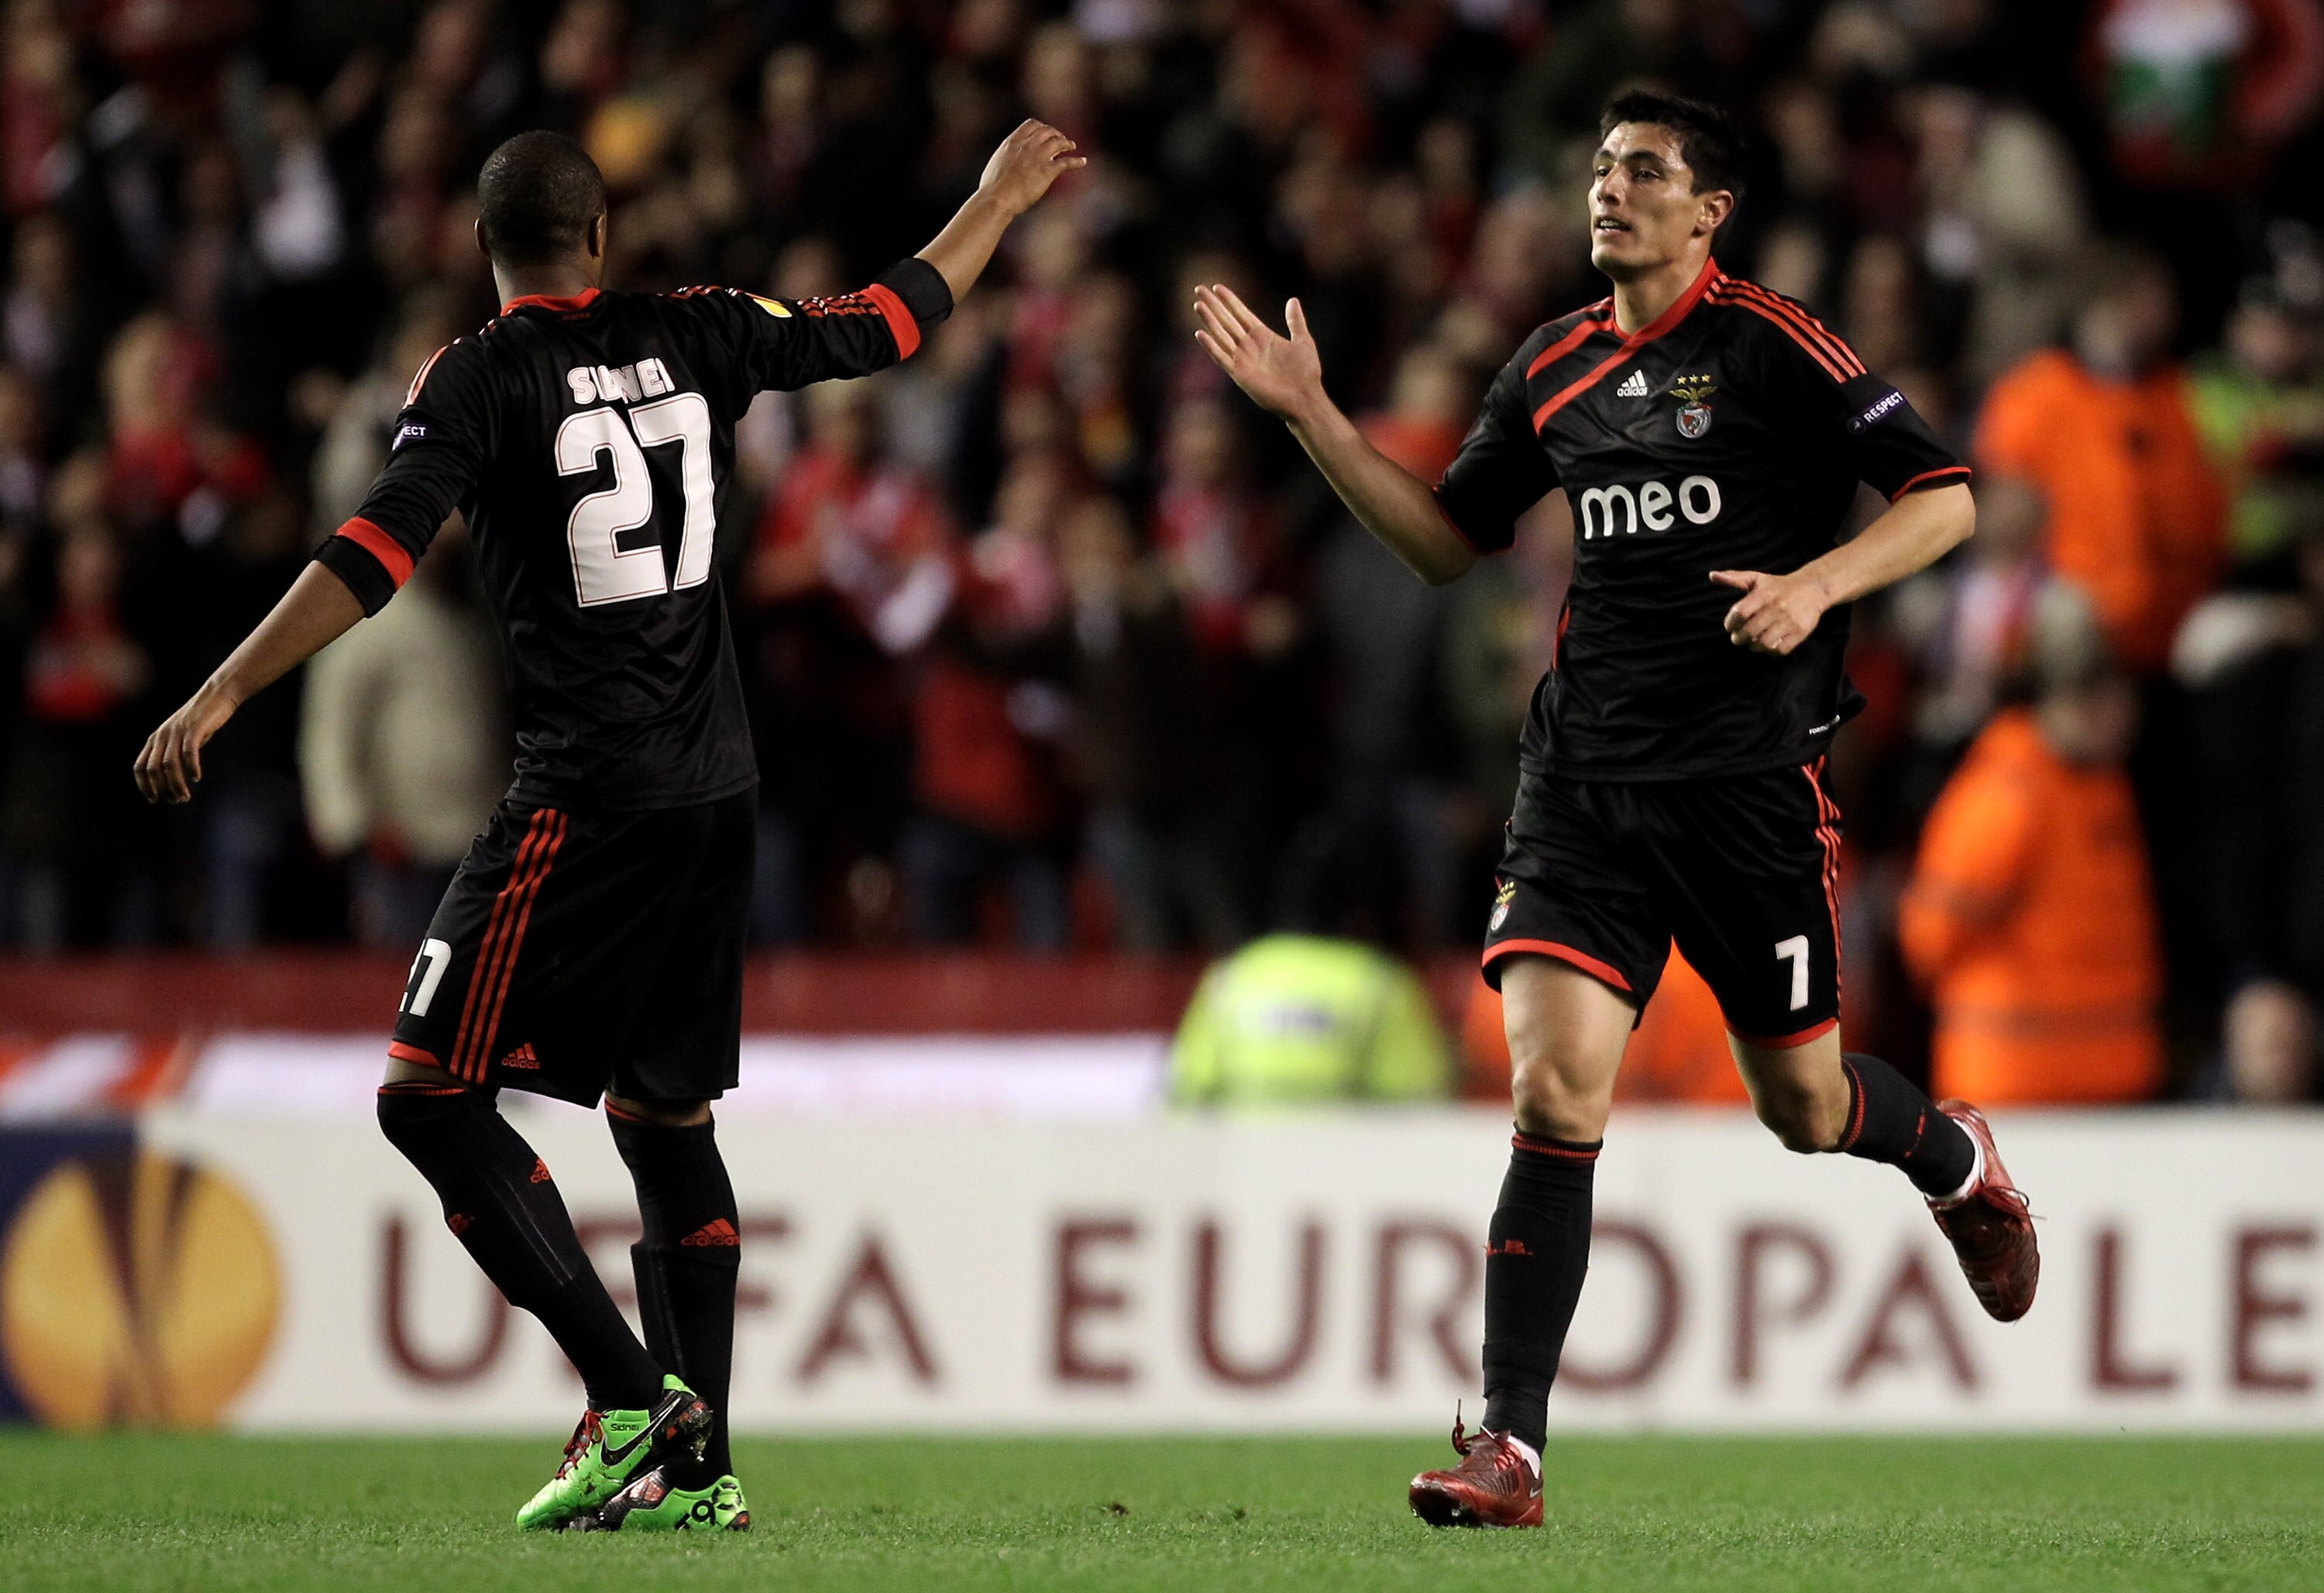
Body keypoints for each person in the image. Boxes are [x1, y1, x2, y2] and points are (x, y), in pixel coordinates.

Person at [132, 122, 1083, 1531]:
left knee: (424, 1091)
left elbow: (377, 549)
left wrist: (222, 689)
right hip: (718, 787)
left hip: (586, 794)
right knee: (663, 1111)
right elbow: (886, 322)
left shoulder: (474, 375)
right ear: (601, 235)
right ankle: (704, 1479)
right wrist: (995, 200)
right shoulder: (697, 327)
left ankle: (634, 1396)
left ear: (482, 250)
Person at [1193, 90, 2035, 1530]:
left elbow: (1946, 493)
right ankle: (1510, 1450)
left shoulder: (1776, 346)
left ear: (1711, 212)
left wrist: (1819, 582)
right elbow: (1447, 546)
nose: (1610, 190)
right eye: (1599, 168)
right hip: (1580, 785)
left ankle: (1957, 1161)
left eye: (1645, 171)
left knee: (1804, 1104)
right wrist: (1313, 414)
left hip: (1749, 791)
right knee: (1551, 1091)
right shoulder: (1553, 368)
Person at [1899, 585, 2164, 1105]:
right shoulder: (2007, 794)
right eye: (2118, 695)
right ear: (2078, 697)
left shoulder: (2101, 784)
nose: (2130, 715)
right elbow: (1929, 937)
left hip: (2103, 1080)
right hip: (2017, 1083)